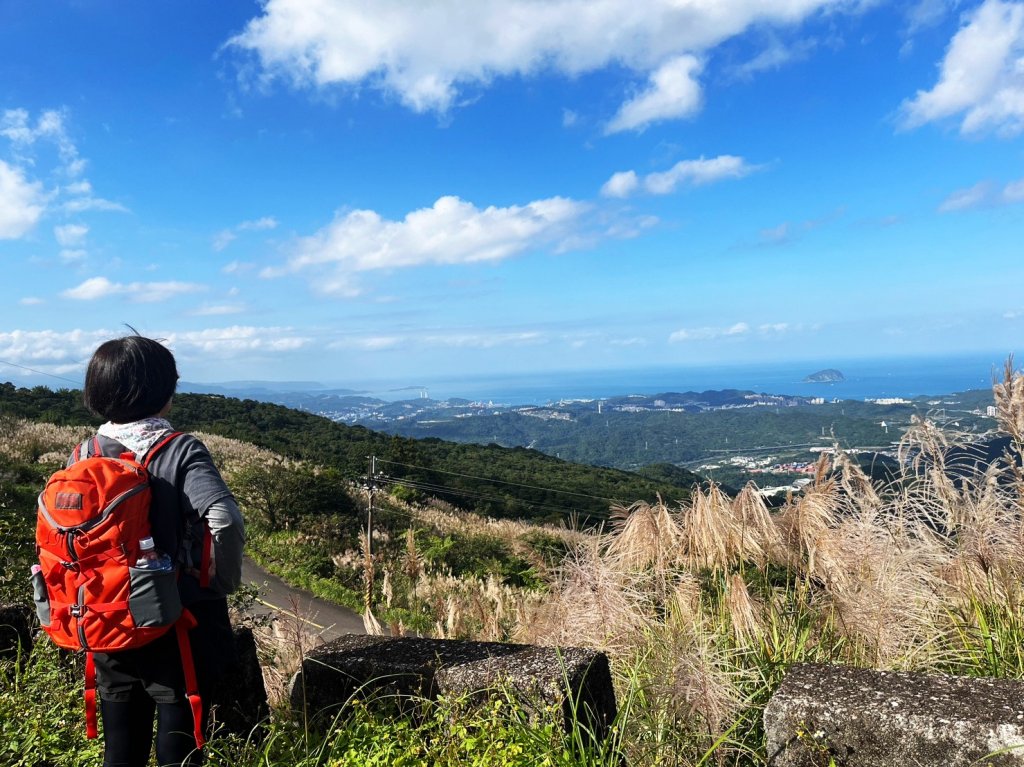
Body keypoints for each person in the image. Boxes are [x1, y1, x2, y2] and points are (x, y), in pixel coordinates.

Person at [80, 334, 245, 767]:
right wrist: (218, 584)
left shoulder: (84, 453)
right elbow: (224, 519)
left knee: (120, 745)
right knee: (180, 743)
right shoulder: (179, 449)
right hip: (179, 622)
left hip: (108, 619)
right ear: (164, 392)